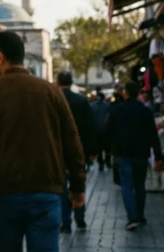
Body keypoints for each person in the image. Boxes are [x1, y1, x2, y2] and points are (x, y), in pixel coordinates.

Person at [0, 32, 86, 252]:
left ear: (0, 57)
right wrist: (78, 186)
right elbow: (71, 141)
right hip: (46, 190)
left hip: (4, 194)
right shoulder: (51, 91)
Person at [105, 81, 164, 231]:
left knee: (126, 185)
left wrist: (107, 149)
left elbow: (107, 131)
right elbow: (153, 135)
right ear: (138, 93)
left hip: (122, 153)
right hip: (141, 153)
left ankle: (132, 217)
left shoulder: (117, 110)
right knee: (139, 186)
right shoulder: (145, 111)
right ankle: (140, 215)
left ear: (125, 92)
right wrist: (158, 156)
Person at [56, 70, 96, 234]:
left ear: (58, 82)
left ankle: (65, 222)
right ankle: (80, 218)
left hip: (58, 150)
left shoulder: (55, 100)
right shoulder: (81, 101)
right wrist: (92, 150)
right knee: (78, 182)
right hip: (79, 149)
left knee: (62, 187)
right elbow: (90, 127)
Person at [90, 92, 112, 171]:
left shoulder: (93, 106)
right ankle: (104, 162)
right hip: (102, 130)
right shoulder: (107, 106)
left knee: (104, 148)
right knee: (104, 148)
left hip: (100, 130)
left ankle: (104, 162)